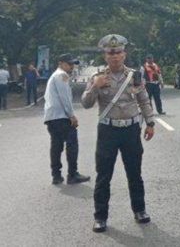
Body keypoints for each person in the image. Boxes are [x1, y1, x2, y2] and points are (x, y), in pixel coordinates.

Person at [81, 34, 156, 233]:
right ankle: (100, 217)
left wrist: (150, 122)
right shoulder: (97, 77)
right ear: (105, 56)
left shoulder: (134, 76)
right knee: (104, 175)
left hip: (131, 130)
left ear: (124, 54)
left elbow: (143, 100)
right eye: (110, 53)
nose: (115, 57)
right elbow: (86, 104)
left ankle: (139, 210)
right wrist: (94, 88)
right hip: (108, 130)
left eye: (118, 53)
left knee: (134, 173)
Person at [43, 54, 90, 185]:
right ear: (61, 63)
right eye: (69, 64)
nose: (72, 66)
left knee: (56, 146)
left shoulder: (55, 75)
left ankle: (56, 175)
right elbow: (65, 98)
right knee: (72, 144)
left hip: (52, 117)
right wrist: (72, 115)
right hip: (61, 116)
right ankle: (72, 174)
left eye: (73, 64)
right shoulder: (61, 75)